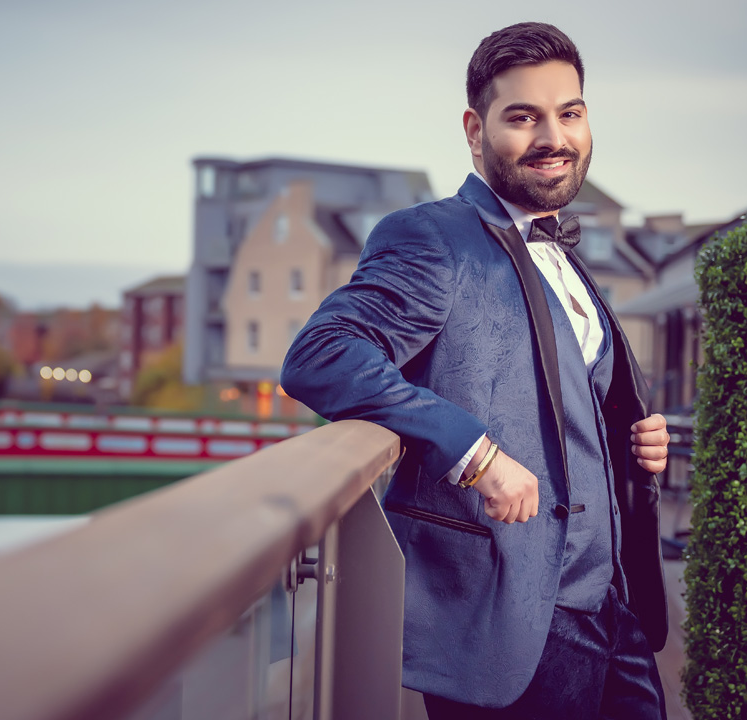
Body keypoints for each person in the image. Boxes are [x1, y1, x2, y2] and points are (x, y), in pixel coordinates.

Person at [280, 22, 671, 719]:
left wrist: (632, 444)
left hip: (613, 609)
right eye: (523, 117)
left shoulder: (565, 252)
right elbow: (321, 354)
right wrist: (474, 450)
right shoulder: (433, 238)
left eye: (570, 113)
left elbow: (553, 400)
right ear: (475, 128)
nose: (554, 135)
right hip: (510, 619)